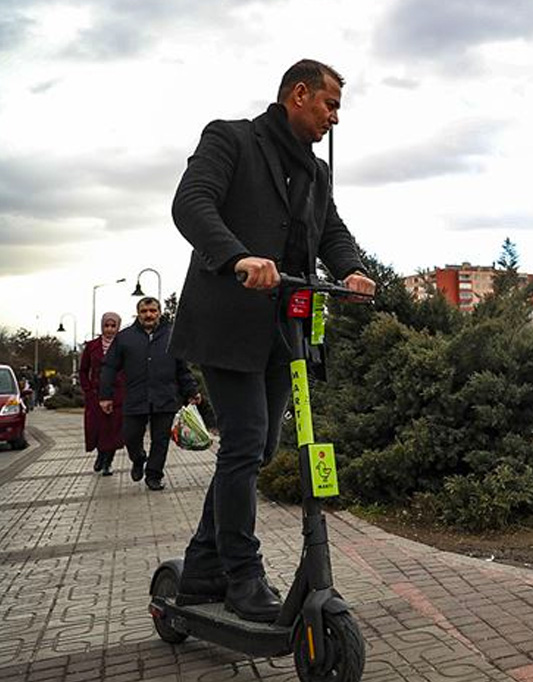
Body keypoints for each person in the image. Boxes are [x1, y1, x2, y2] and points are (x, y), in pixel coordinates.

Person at [169, 59, 375, 623]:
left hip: (284, 329)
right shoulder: (230, 138)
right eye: (330, 105)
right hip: (228, 322)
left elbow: (331, 229)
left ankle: (202, 563)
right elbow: (191, 204)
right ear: (299, 94)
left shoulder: (315, 171)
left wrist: (350, 270)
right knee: (244, 442)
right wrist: (237, 256)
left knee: (260, 451)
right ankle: (242, 575)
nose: (334, 118)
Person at [99, 297, 202, 491]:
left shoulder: (173, 336)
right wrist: (105, 396)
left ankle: (154, 475)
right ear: (138, 313)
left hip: (165, 397)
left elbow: (182, 369)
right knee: (130, 436)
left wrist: (191, 390)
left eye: (153, 311)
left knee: (161, 439)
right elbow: (109, 367)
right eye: (144, 311)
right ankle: (138, 459)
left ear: (159, 312)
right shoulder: (124, 338)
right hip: (135, 398)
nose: (149, 315)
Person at [80, 312, 126, 476]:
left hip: (117, 396)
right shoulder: (92, 346)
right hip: (95, 395)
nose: (109, 329)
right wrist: (88, 390)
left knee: (113, 430)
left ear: (118, 327)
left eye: (113, 326)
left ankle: (108, 462)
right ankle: (100, 455)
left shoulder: (123, 346)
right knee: (98, 429)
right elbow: (84, 370)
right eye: (107, 325)